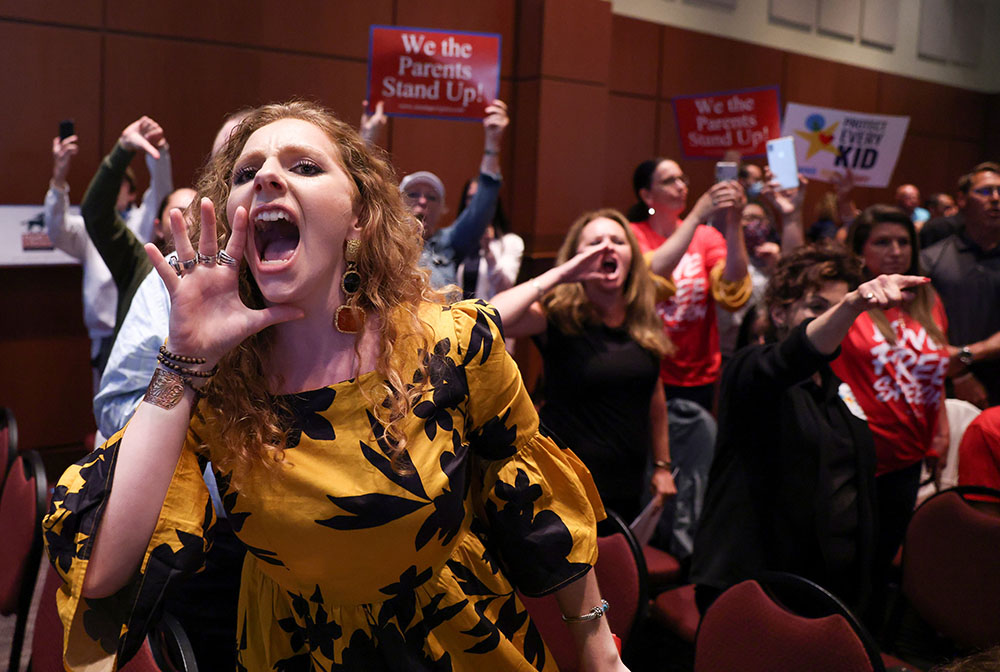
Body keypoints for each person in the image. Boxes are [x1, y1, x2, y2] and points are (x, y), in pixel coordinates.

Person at [44, 101, 626, 672]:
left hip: (452, 637)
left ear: (359, 217)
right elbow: (104, 570)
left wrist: (600, 652)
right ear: (233, 221)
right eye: (247, 173)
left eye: (304, 166)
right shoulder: (218, 382)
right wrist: (183, 363)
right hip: (293, 646)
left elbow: (535, 502)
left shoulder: (455, 342)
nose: (268, 176)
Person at [691, 241, 930, 615]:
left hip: (829, 588)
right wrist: (851, 305)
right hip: (758, 589)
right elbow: (794, 355)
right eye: (818, 307)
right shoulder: (750, 370)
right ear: (780, 313)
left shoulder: (837, 387)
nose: (834, 318)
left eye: (840, 307)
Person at [491, 208, 676, 521]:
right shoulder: (556, 316)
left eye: (618, 240)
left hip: (626, 485)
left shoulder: (644, 320)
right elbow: (491, 316)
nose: (607, 247)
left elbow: (654, 399)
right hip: (564, 486)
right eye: (595, 242)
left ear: (631, 255)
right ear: (576, 258)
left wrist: (662, 465)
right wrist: (561, 275)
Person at [831, 205, 950, 602]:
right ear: (860, 250)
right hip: (856, 459)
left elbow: (932, 374)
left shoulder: (927, 301)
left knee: (880, 566)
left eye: (903, 242)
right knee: (845, 568)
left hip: (908, 457)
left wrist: (941, 431)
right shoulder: (846, 301)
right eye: (882, 242)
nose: (896, 250)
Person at [626, 157, 751, 411]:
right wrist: (697, 215)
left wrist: (734, 221)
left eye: (683, 179)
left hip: (697, 371)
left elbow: (733, 287)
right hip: (645, 366)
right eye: (670, 181)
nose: (681, 186)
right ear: (647, 195)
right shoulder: (631, 234)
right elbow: (649, 275)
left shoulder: (706, 237)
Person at [80, 115, 174, 348]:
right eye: (179, 211)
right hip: (113, 336)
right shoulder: (137, 261)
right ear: (158, 227)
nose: (186, 219)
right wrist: (125, 149)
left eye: (192, 210)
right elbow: (96, 212)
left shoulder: (211, 267)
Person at [400, 99, 509, 290]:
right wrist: (368, 135)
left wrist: (492, 142)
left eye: (432, 197)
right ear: (397, 204)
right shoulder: (383, 244)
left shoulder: (449, 243)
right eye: (413, 194)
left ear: (442, 210)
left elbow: (481, 206)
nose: (423, 201)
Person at [921, 161, 1000, 408]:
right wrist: (960, 373)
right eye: (985, 191)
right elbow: (919, 323)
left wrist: (969, 353)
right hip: (945, 384)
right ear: (962, 200)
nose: (996, 199)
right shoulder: (932, 259)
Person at [455, 178, 523, 301]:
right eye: (471, 198)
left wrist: (488, 251)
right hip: (457, 315)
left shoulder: (511, 242)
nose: (477, 204)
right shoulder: (456, 239)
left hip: (490, 315)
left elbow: (504, 287)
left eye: (483, 198)